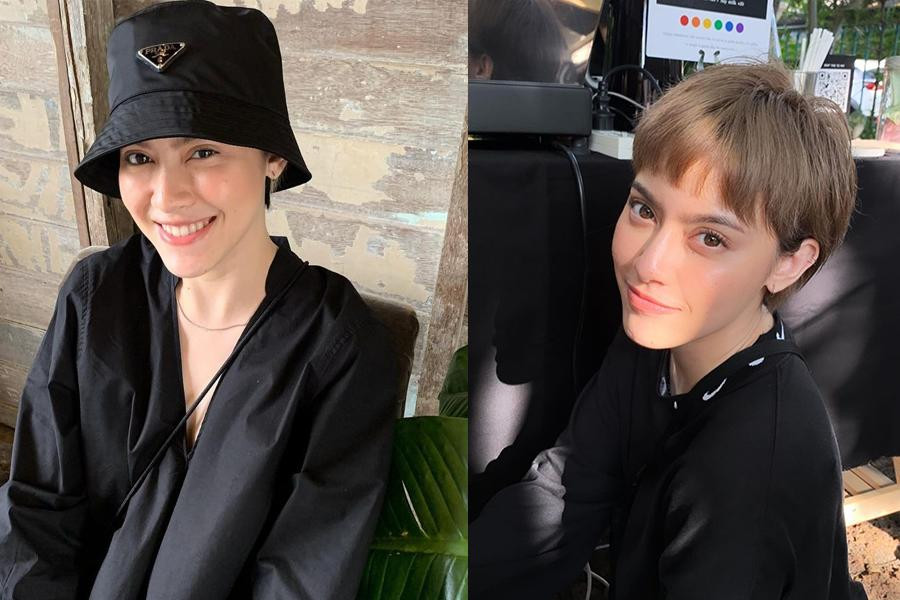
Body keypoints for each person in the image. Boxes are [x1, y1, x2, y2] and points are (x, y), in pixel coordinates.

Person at [0, 2, 398, 598]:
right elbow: (36, 507)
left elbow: (303, 574)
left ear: (272, 157)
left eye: (203, 152)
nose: (167, 196)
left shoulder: (336, 345)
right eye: (140, 158)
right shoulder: (97, 297)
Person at [470, 60, 868, 599]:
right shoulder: (659, 340)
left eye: (710, 238)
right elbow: (562, 495)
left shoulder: (751, 465)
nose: (649, 264)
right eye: (644, 209)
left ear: (788, 264)